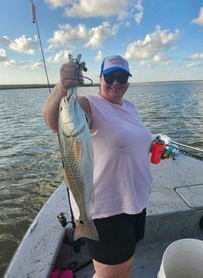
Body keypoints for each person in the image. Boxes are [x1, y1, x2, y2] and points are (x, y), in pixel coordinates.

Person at [43, 55, 153, 278]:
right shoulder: (89, 104)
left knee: (123, 267)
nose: (115, 82)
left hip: (134, 202)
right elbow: (54, 121)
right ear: (100, 78)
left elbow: (129, 142)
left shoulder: (130, 107)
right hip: (107, 210)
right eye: (110, 76)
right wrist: (62, 88)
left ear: (128, 81)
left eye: (121, 76)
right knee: (113, 274)